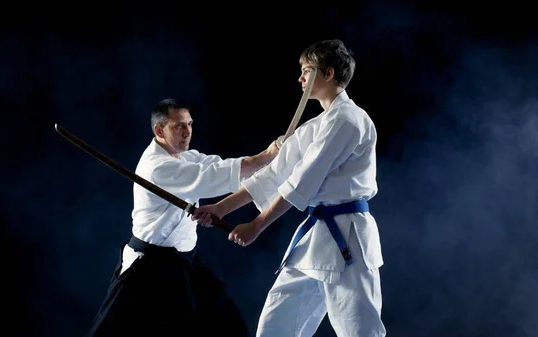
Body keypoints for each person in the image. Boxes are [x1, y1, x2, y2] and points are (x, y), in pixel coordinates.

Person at [192, 39, 386, 337]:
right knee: (276, 325)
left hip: (349, 238)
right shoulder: (318, 125)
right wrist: (219, 208)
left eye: (306, 70)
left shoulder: (347, 120)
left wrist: (257, 224)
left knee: (359, 329)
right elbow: (274, 173)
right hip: (317, 239)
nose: (300, 78)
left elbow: (302, 181)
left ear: (328, 73)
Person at [84, 98, 280, 337]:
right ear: (159, 130)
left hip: (185, 263)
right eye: (179, 126)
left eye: (189, 124)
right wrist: (267, 155)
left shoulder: (184, 156)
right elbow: (210, 177)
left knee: (229, 326)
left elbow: (218, 166)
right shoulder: (157, 167)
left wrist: (270, 160)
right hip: (149, 268)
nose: (187, 132)